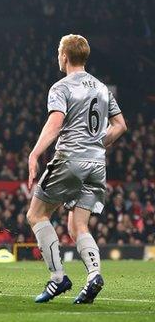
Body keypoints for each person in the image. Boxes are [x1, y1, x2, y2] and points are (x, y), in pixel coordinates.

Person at [26, 34, 126, 303]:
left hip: (70, 159)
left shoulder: (61, 87)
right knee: (78, 225)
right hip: (96, 164)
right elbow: (120, 125)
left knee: (36, 215)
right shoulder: (103, 88)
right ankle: (94, 275)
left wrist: (35, 153)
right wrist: (97, 144)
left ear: (64, 56)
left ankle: (57, 278)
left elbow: (56, 124)